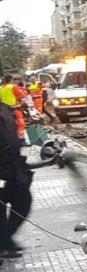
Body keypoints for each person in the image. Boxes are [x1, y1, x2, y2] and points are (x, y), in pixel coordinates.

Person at [0, 100, 32, 258]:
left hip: (13, 169)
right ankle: (4, 243)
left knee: (24, 201)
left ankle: (5, 239)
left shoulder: (4, 108)